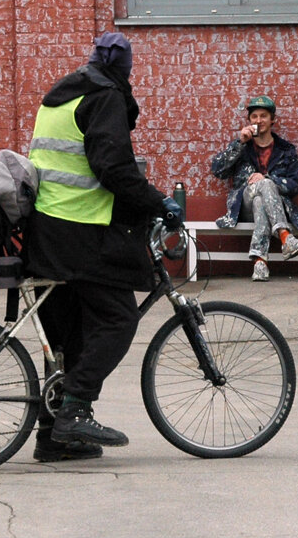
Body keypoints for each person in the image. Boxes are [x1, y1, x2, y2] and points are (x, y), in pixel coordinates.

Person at [25, 32, 182, 462]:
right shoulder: (106, 96)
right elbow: (112, 166)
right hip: (79, 228)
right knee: (117, 318)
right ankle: (75, 408)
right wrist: (158, 202)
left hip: (45, 230)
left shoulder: (60, 95)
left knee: (68, 334)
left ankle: (53, 435)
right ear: (124, 68)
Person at [210, 94, 298, 282]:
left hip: (272, 205)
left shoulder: (285, 150)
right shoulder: (243, 147)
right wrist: (240, 143)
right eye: (255, 116)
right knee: (262, 187)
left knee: (261, 198)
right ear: (249, 120)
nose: (259, 120)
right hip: (243, 205)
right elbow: (217, 170)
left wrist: (267, 178)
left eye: (264, 116)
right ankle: (285, 237)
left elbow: (295, 185)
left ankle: (260, 263)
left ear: (272, 119)